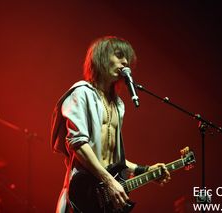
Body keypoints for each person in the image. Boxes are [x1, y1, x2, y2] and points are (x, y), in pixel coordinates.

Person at [50, 36, 170, 213]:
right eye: (120, 55)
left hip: (105, 202)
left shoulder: (119, 105)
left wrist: (144, 170)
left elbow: (112, 161)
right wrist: (109, 181)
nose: (126, 62)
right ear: (101, 57)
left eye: (127, 58)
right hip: (82, 197)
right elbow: (78, 144)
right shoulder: (81, 93)